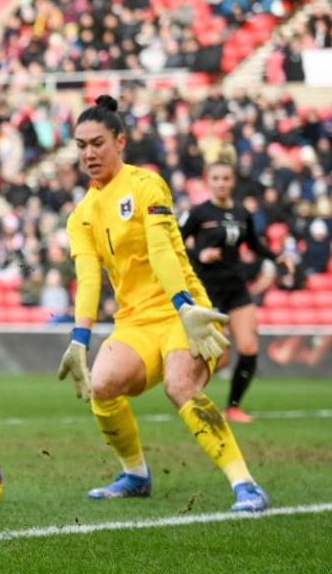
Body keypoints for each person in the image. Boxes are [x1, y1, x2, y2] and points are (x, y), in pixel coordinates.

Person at [56, 95, 269, 513]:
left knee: (180, 385)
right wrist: (79, 338)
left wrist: (185, 306)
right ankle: (135, 474)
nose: (88, 153)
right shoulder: (80, 214)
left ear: (120, 141)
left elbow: (161, 250)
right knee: (101, 385)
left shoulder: (147, 185)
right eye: (81, 145)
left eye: (97, 143)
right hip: (134, 322)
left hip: (182, 311)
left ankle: (246, 485)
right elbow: (87, 278)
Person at [179, 154, 295, 423]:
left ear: (233, 182)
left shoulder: (243, 214)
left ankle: (232, 407)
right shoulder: (198, 213)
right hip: (207, 291)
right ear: (209, 182)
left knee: (249, 346)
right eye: (216, 178)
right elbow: (177, 243)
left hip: (236, 287)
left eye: (226, 178)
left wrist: (277, 257)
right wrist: (200, 255)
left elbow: (254, 244)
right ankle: (190, 399)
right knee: (214, 357)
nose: (221, 183)